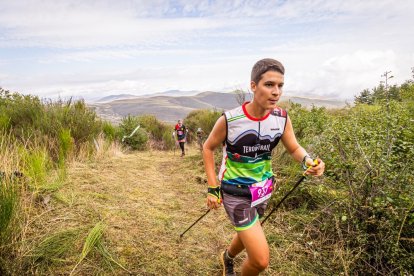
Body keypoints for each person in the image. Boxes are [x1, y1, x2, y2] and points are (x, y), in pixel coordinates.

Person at [202, 58, 325, 275]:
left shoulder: (281, 118)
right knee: (260, 261)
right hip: (235, 192)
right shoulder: (231, 120)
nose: (276, 92)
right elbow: (208, 147)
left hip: (263, 189)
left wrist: (309, 161)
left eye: (280, 86)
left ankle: (227, 257)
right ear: (253, 86)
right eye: (269, 85)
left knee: (250, 229)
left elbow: (294, 148)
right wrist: (213, 188)